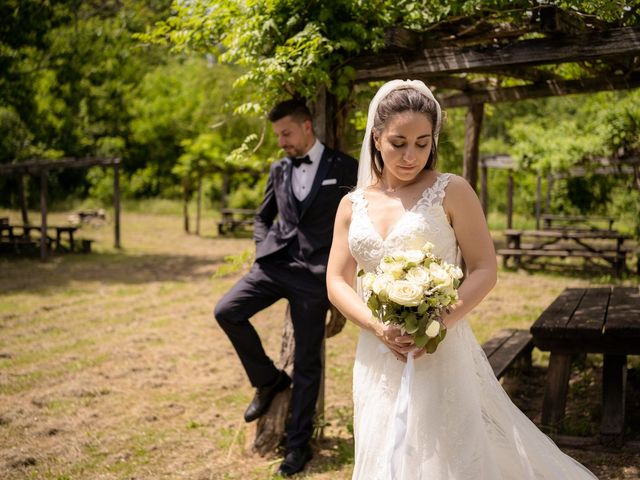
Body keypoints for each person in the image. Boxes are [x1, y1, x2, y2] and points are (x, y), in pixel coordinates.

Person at [326, 80, 598, 479]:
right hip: (377, 350)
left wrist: (437, 322)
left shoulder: (451, 190)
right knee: (385, 443)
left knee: (446, 450)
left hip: (440, 346)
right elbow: (336, 279)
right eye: (399, 142)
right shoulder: (352, 204)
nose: (411, 155)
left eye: (422, 142)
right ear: (376, 136)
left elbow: (485, 267)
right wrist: (378, 327)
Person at [214, 99, 358, 476]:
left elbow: (360, 223)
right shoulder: (278, 168)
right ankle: (269, 380)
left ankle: (297, 447)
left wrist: (340, 273)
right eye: (278, 135)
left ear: (307, 126)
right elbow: (262, 218)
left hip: (314, 277)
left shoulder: (344, 167)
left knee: (308, 363)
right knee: (226, 311)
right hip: (275, 265)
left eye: (286, 133)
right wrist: (262, 250)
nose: (281, 142)